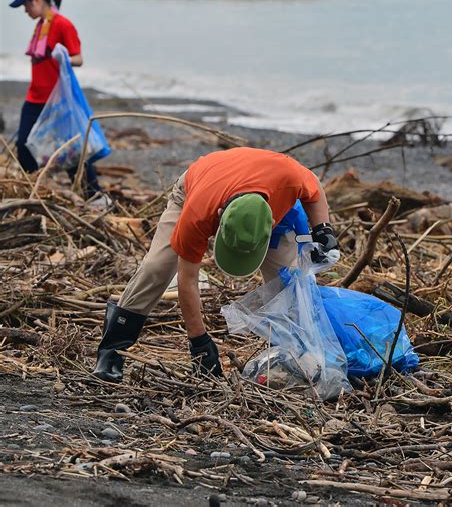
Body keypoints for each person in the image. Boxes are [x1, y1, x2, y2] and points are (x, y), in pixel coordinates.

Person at [92, 147, 339, 383]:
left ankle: (294, 357)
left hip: (263, 195)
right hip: (197, 185)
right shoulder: (198, 214)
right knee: (158, 267)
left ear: (273, 220)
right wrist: (199, 342)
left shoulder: (290, 176)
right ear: (219, 216)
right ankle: (113, 347)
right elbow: (187, 280)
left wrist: (323, 231)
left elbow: (314, 187)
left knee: (287, 281)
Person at [9, 0, 105, 201]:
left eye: (25, 5)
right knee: (23, 146)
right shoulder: (41, 25)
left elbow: (79, 58)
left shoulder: (63, 24)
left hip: (57, 100)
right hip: (35, 97)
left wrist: (62, 57)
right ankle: (34, 191)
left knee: (70, 150)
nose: (25, 10)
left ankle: (95, 196)